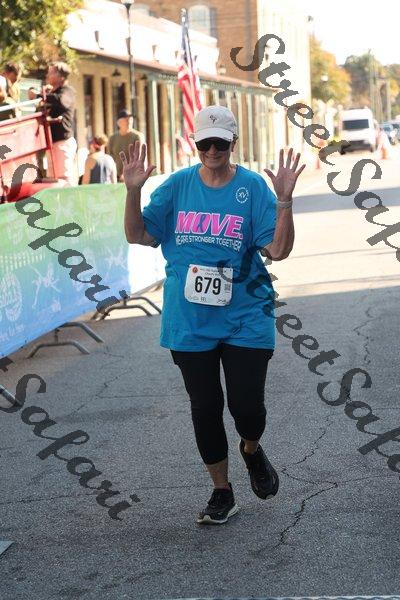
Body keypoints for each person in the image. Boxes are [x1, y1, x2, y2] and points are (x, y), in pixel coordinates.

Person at [122, 105, 305, 525]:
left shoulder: (252, 187)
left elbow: (278, 250)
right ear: (195, 144)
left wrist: (284, 202)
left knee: (247, 408)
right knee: (205, 407)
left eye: (220, 143)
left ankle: (251, 449)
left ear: (233, 143)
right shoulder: (178, 186)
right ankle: (222, 490)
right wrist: (132, 191)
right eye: (204, 143)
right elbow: (137, 234)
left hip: (246, 315)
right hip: (189, 320)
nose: (211, 150)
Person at [44, 61, 77, 185]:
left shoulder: (68, 91)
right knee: (53, 180)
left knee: (65, 178)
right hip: (52, 142)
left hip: (63, 141)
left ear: (61, 77)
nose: (48, 75)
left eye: (51, 73)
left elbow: (61, 100)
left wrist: (42, 95)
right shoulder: (52, 93)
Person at [108, 109, 144, 181]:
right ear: (119, 123)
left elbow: (138, 157)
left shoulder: (137, 136)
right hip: (116, 176)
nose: (129, 121)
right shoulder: (112, 138)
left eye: (130, 119)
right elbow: (110, 158)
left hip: (133, 175)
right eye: (126, 120)